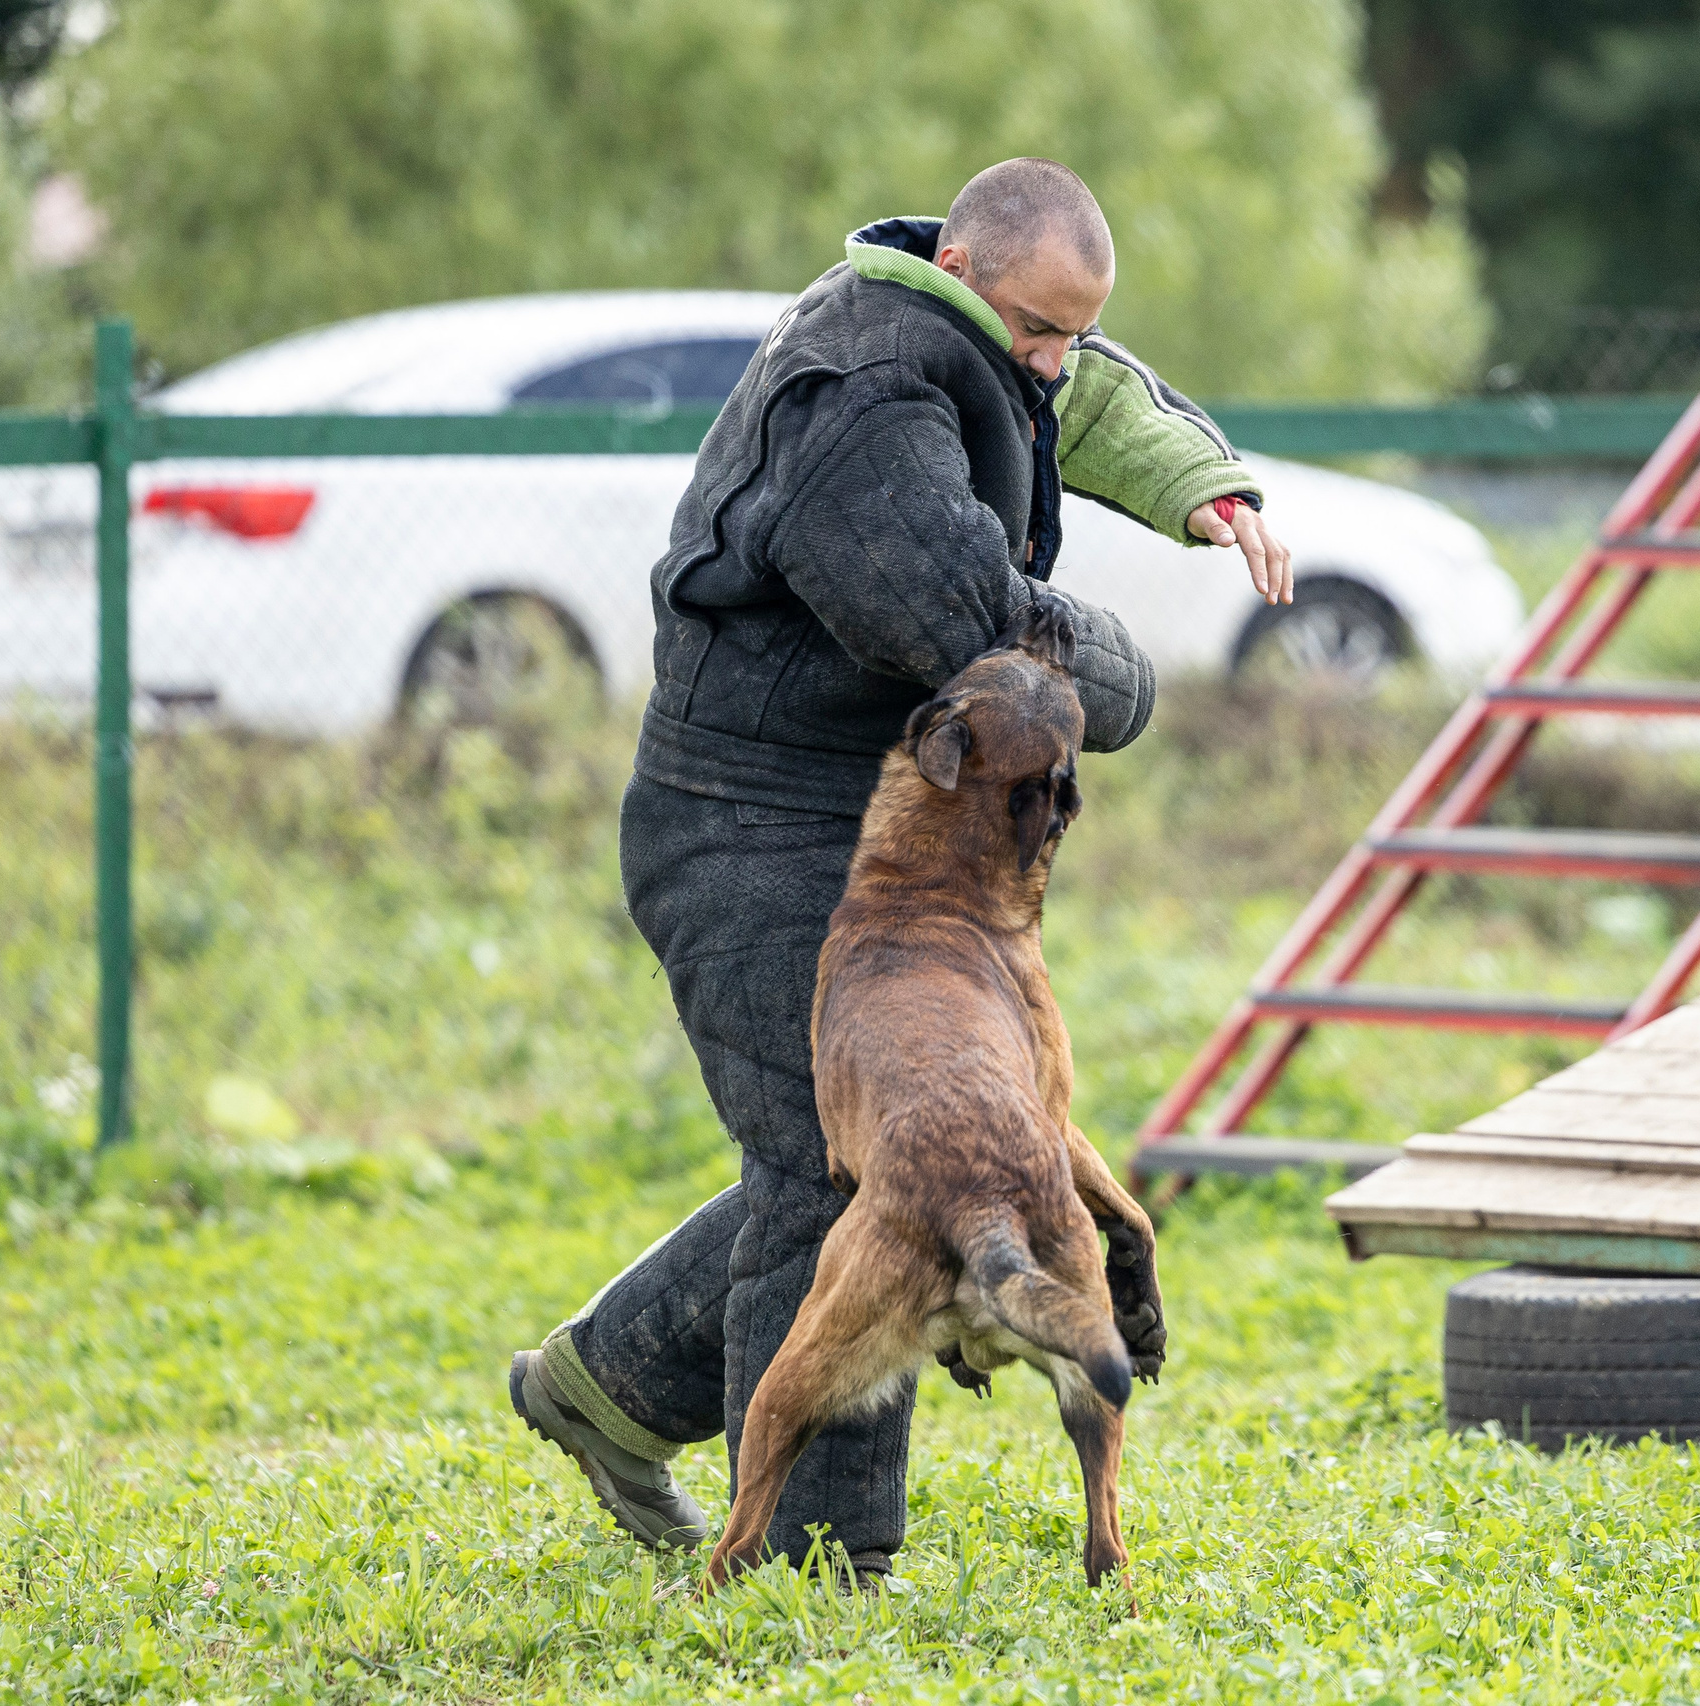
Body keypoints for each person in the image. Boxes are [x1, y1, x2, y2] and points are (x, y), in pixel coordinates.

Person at [508, 157, 1291, 1585]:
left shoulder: (985, 334)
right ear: (973, 277)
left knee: (886, 1157)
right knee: (839, 1183)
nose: (1059, 359)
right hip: (746, 825)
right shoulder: (863, 400)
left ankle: (610, 1386)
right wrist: (1118, 678)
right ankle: (822, 1568)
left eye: (1074, 329)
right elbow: (972, 624)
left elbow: (1089, 394)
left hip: (872, 825)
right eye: (1042, 330)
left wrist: (1209, 492)